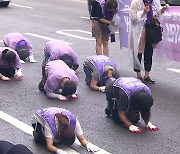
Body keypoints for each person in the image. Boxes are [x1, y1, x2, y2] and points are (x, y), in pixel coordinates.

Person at [128, 0, 169, 84]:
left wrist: (162, 10)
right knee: (137, 52)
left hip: (151, 29)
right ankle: (138, 74)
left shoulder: (155, 2)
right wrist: (143, 12)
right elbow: (133, 18)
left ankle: (147, 75)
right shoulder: (136, 2)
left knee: (149, 51)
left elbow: (157, 15)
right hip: (139, 30)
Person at [31, 107, 99, 154]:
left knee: (55, 141)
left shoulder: (74, 121)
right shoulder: (51, 125)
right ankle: (37, 134)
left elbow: (82, 139)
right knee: (44, 142)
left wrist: (87, 144)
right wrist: (58, 151)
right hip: (38, 119)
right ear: (59, 134)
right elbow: (49, 146)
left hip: (54, 113)